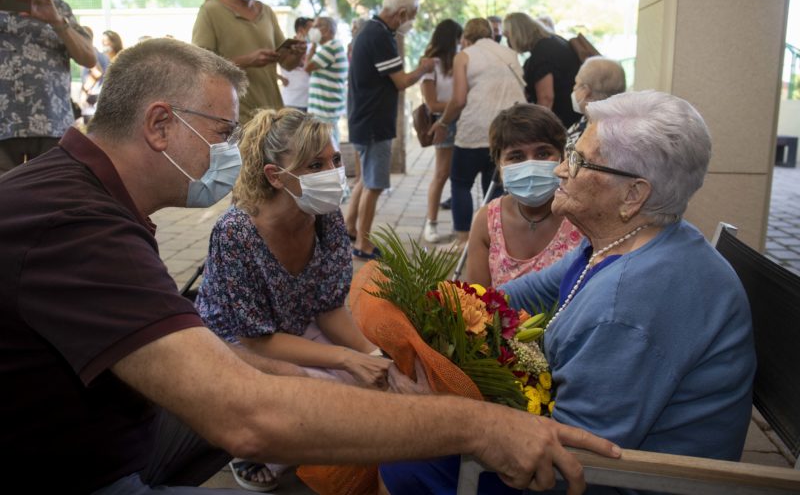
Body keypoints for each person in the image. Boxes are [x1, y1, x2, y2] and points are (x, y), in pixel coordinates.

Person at [0, 37, 619, 494]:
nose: (228, 150)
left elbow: (325, 312)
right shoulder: (75, 223)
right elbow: (246, 409)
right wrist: (480, 427)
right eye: (221, 130)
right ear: (160, 124)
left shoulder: (83, 196)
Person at [381, 91, 756, 495]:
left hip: (625, 478)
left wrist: (437, 416)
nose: (560, 169)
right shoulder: (622, 242)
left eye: (578, 160)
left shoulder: (627, 304)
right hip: (591, 451)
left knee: (405, 458)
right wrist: (419, 314)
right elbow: (506, 298)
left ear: (633, 195)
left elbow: (569, 464)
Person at [196, 108, 391, 490]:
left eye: (335, 160)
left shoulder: (325, 216)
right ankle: (250, 449)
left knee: (367, 390)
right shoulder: (237, 233)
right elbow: (255, 338)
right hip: (234, 341)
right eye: (314, 165)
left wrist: (374, 357)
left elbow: (330, 308)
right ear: (275, 176)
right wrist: (347, 359)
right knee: (311, 392)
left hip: (295, 326)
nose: (333, 173)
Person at [346, 0, 435, 260]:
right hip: (374, 122)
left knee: (364, 180)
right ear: (402, 12)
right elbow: (401, 82)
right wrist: (424, 68)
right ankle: (363, 241)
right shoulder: (381, 37)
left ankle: (349, 227)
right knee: (374, 184)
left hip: (363, 117)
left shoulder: (371, 30)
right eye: (414, 14)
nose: (413, 20)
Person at [0, 0, 96, 174]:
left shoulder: (53, 4)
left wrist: (57, 22)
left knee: (50, 205)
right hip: (2, 130)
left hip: (52, 128)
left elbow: (88, 58)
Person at [431, 18, 526, 244]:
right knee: (495, 185)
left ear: (465, 37)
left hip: (475, 129)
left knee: (461, 183)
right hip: (508, 130)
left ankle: (463, 239)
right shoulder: (510, 54)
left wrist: (443, 123)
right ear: (491, 35)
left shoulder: (464, 55)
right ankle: (492, 240)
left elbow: (459, 99)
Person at [466, 103, 582, 287]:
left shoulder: (581, 218)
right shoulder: (487, 222)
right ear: (499, 164)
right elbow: (474, 303)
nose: (531, 166)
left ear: (562, 156)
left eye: (543, 153)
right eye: (516, 156)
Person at [192, 0, 303, 125]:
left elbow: (287, 64)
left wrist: (297, 54)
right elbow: (201, 69)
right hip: (236, 120)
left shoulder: (266, 12)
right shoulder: (210, 12)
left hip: (272, 117)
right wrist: (247, 61)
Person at [420, 19, 462, 243]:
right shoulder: (430, 64)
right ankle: (431, 223)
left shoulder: (461, 61)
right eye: (459, 38)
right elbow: (431, 104)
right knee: (441, 173)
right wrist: (458, 104)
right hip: (443, 122)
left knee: (458, 176)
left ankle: (459, 225)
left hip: (464, 122)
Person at [504, 12, 581, 128]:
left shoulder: (542, 53)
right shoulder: (554, 41)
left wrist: (538, 130)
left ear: (517, 34)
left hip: (563, 121)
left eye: (508, 36)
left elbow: (546, 98)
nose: (508, 42)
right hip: (574, 116)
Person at [305, 16, 348, 146]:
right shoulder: (331, 47)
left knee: (327, 149)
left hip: (324, 113)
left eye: (316, 26)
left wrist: (312, 46)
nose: (313, 30)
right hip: (325, 112)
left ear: (327, 30)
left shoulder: (331, 47)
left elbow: (307, 67)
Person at [566, 56, 626, 147]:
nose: (574, 88)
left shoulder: (604, 137)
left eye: (576, 83)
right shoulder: (586, 120)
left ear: (585, 91)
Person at [280, 16, 313, 112]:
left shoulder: (313, 47)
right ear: (301, 30)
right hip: (290, 101)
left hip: (309, 102)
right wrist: (279, 78)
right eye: (312, 28)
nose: (315, 31)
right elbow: (270, 64)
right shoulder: (286, 46)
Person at [79, 26, 111, 122]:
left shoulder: (89, 54)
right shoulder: (103, 56)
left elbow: (96, 72)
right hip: (100, 100)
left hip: (92, 101)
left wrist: (84, 92)